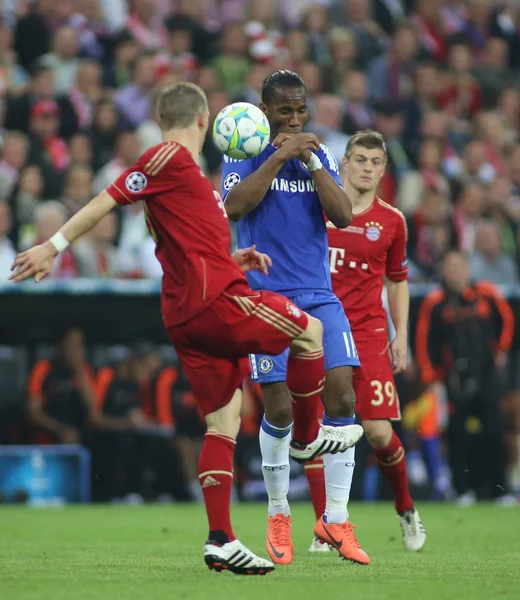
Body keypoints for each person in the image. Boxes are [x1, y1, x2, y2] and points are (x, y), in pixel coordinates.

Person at [9, 82, 362, 576]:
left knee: (223, 422)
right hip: (215, 303)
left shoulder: (190, 180)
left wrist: (232, 257)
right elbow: (109, 197)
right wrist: (54, 244)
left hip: (189, 310)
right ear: (204, 121)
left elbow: (186, 244)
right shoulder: (168, 160)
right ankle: (305, 439)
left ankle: (220, 538)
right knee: (310, 335)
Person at [222, 70, 369, 565]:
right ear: (264, 111)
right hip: (265, 297)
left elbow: (344, 215)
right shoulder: (242, 150)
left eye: (300, 110)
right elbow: (235, 206)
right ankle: (279, 512)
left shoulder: (318, 154)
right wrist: (280, 154)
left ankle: (336, 520)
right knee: (280, 411)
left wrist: (309, 159)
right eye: (285, 110)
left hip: (318, 294)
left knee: (344, 395)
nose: (295, 118)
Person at [327, 130, 426, 550]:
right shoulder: (320, 209)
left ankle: (405, 508)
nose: (367, 167)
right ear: (345, 163)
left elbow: (397, 280)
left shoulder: (392, 221)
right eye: (360, 159)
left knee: (378, 432)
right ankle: (328, 525)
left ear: (383, 170)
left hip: (368, 333)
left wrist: (400, 332)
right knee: (319, 429)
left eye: (375, 162)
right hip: (323, 329)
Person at [416, 250, 515, 506]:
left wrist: (501, 350)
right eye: (450, 267)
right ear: (444, 271)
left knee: (494, 431)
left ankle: (500, 490)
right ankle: (462, 490)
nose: (456, 272)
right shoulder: (435, 302)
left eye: (460, 266)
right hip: (453, 381)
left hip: (486, 376)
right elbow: (423, 341)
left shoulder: (487, 293)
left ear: (468, 269)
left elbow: (508, 321)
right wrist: (432, 376)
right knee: (457, 435)